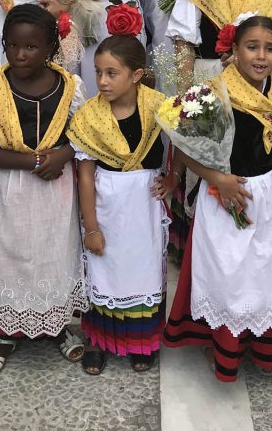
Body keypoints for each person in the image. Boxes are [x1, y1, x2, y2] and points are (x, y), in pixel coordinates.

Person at [163, 15, 272, 382]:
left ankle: (260, 340)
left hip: (269, 189)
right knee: (226, 270)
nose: (261, 56)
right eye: (252, 47)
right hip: (224, 190)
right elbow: (185, 149)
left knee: (263, 269)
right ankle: (222, 343)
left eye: (270, 49)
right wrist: (218, 179)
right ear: (233, 50)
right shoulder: (215, 90)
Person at [0, 4, 88, 378]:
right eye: (11, 45)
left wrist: (62, 153)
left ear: (51, 47)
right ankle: (5, 331)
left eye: (30, 47)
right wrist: (34, 163)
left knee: (56, 251)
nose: (19, 54)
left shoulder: (70, 86)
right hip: (12, 187)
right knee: (11, 254)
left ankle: (58, 321)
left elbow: (84, 132)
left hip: (57, 189)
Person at [69, 33, 174, 376]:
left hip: (144, 206)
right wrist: (92, 227)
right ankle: (99, 342)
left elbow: (187, 144)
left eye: (111, 73)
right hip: (107, 205)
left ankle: (141, 343)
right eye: (98, 72)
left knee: (141, 272)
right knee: (104, 270)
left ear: (137, 74)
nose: (102, 81)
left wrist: (171, 180)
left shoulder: (160, 106)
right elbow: (85, 176)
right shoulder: (88, 117)